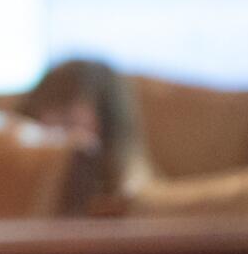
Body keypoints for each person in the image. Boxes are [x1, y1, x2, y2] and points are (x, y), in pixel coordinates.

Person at [16, 58, 155, 201]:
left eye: (67, 121)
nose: (53, 131)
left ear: (107, 124)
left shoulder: (134, 185)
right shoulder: (21, 152)